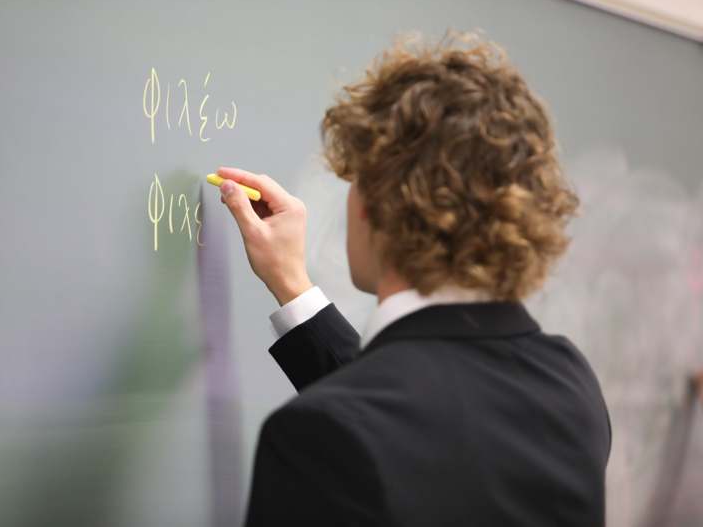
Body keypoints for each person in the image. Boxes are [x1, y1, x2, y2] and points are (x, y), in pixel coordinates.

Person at [217, 31, 611, 527]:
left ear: (378, 204)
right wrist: (292, 283)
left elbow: (381, 423)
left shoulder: (314, 437)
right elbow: (418, 424)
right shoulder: (568, 384)